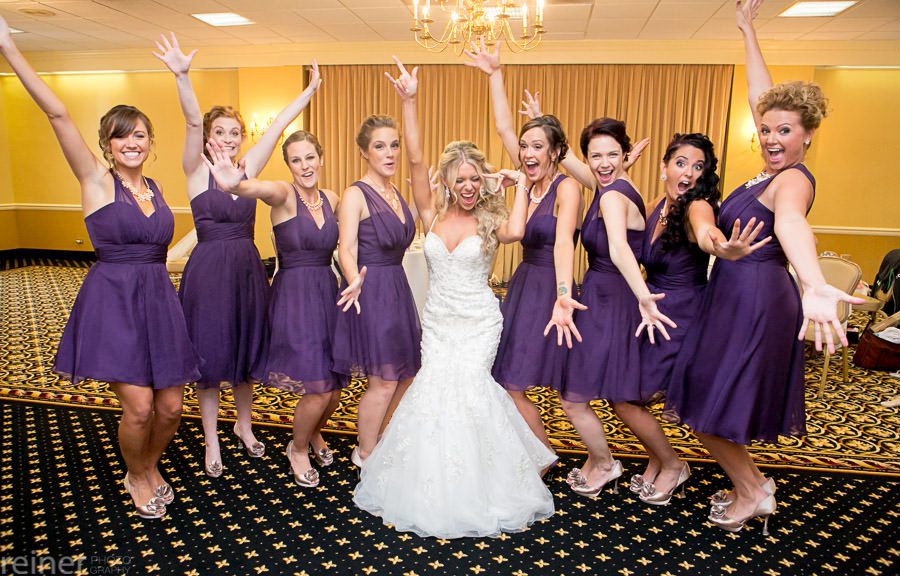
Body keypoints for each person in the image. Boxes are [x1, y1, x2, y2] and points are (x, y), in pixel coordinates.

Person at [664, 0, 863, 534]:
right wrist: (747, 30)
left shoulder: (792, 180)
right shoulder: (764, 171)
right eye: (767, 128)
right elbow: (761, 97)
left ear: (807, 135)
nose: (772, 137)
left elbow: (793, 224)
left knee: (712, 401)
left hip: (757, 301)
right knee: (707, 395)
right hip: (732, 294)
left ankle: (752, 490)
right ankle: (751, 484)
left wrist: (814, 283)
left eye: (785, 130)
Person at [0, 16, 200, 519]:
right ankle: (137, 475)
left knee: (171, 408)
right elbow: (58, 114)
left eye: (140, 135)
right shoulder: (94, 179)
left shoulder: (155, 188)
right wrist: (8, 48)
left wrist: (181, 78)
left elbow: (160, 247)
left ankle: (148, 465)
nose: (132, 143)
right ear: (107, 144)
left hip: (158, 299)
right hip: (114, 302)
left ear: (150, 141)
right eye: (120, 137)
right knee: (139, 407)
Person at [352, 58, 555, 538]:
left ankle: (487, 484)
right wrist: (409, 101)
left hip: (479, 322)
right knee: (434, 394)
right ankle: (434, 482)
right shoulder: (431, 213)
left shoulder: (491, 219)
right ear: (446, 181)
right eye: (459, 179)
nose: (467, 186)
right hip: (439, 322)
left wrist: (520, 185)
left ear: (483, 179)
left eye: (474, 178)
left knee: (469, 392)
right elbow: (416, 158)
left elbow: (518, 230)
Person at [153, 35, 321, 477]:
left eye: (234, 133)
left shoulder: (247, 169)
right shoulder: (195, 170)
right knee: (210, 358)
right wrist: (182, 76)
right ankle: (211, 438)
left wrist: (307, 92)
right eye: (220, 132)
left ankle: (244, 426)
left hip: (247, 271)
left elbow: (278, 127)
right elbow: (191, 120)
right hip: (208, 273)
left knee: (245, 354)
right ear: (208, 137)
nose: (228, 139)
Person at [204, 127, 345, 489]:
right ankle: (296, 449)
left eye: (310, 157)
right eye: (296, 160)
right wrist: (236, 185)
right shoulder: (284, 194)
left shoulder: (332, 198)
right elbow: (260, 189)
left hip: (327, 294)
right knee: (318, 387)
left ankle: (313, 433)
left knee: (334, 389)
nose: (304, 165)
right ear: (289, 165)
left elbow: (356, 235)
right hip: (295, 299)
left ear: (321, 159)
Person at [636, 132, 771, 504]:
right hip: (656, 313)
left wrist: (723, 247)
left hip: (686, 317)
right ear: (664, 167)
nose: (689, 173)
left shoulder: (697, 206)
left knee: (649, 398)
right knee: (673, 400)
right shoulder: (653, 206)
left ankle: (672, 465)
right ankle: (755, 481)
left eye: (699, 167)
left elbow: (706, 232)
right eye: (681, 163)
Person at [464, 42, 583, 456]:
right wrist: (494, 75)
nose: (528, 153)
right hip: (523, 285)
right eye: (525, 146)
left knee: (544, 384)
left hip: (552, 285)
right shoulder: (525, 185)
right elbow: (503, 128)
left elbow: (564, 242)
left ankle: (553, 455)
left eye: (538, 146)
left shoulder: (567, 187)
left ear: (555, 152)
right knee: (508, 378)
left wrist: (563, 295)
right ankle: (539, 452)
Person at [333, 112, 422, 466]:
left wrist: (422, 201)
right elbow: (346, 247)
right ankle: (365, 452)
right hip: (370, 292)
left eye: (394, 145)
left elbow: (398, 233)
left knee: (407, 374)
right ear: (364, 152)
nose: (390, 153)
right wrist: (353, 278)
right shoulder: (355, 194)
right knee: (383, 380)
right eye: (380, 146)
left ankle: (382, 436)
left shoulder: (395, 193)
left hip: (397, 289)